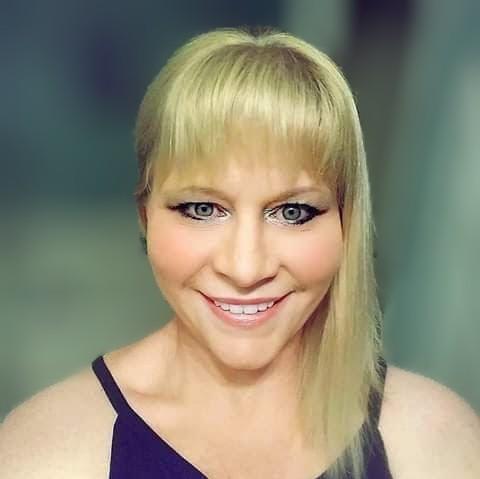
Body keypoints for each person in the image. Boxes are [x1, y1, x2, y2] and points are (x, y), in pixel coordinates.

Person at [1, 26, 479, 479]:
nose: (246, 268)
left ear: (346, 224)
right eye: (202, 209)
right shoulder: (46, 454)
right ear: (145, 217)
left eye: (291, 212)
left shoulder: (436, 442)